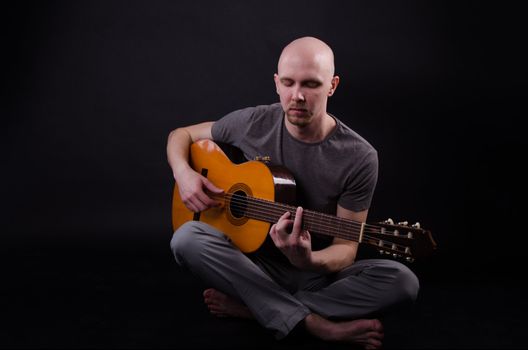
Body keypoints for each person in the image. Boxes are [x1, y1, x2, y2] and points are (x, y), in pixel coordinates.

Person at [166, 36, 419, 349]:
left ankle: (258, 309)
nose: (297, 96)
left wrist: (306, 258)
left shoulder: (359, 156)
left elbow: (345, 251)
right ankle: (316, 324)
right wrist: (184, 173)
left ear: (332, 85)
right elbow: (182, 134)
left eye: (311, 84)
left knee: (403, 281)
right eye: (288, 83)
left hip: (310, 275)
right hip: (251, 264)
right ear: (276, 83)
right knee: (186, 238)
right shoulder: (254, 122)